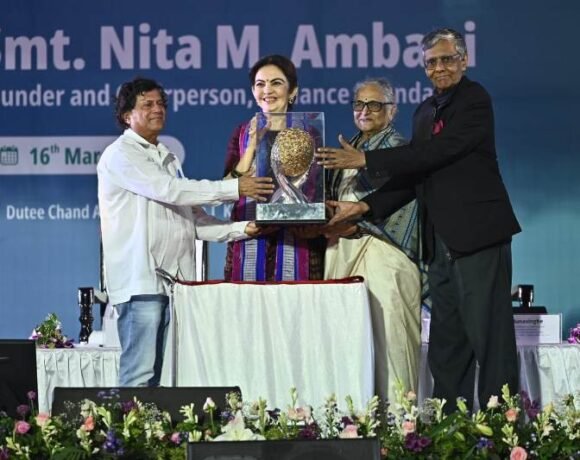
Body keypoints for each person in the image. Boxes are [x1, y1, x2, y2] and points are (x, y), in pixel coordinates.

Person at [316, 28, 520, 412]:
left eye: (447, 59)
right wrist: (363, 208)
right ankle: (450, 425)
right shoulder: (424, 111)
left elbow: (440, 152)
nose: (439, 68)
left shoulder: (474, 99)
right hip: (438, 242)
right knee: (447, 343)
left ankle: (503, 427)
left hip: (477, 236)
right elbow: (415, 177)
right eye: (431, 62)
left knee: (490, 339)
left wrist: (367, 160)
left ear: (463, 60)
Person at [97, 77, 274, 386]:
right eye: (147, 104)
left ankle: (149, 421)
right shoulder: (121, 154)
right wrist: (236, 188)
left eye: (161, 103)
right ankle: (125, 422)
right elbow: (170, 190)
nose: (157, 109)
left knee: (163, 378)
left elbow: (193, 220)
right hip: (142, 282)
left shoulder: (166, 156)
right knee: (138, 375)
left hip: (173, 283)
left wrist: (243, 229)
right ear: (127, 116)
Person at [323, 77, 426, 404]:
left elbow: (406, 204)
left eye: (375, 105)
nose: (365, 111)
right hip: (343, 251)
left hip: (386, 254)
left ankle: (399, 424)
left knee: (391, 339)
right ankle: (353, 421)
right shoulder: (347, 150)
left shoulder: (401, 151)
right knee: (347, 340)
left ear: (392, 110)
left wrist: (359, 226)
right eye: (359, 104)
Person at [223, 54, 326, 281]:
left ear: (292, 91)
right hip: (250, 236)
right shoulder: (242, 133)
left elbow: (314, 192)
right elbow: (226, 188)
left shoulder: (310, 134)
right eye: (260, 84)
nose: (267, 90)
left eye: (276, 83)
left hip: (299, 243)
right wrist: (252, 146)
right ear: (253, 91)